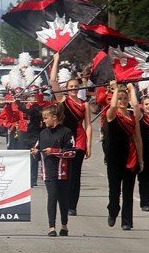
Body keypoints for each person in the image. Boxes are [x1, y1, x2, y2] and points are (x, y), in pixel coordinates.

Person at [50, 53, 92, 216]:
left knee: (75, 175)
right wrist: (56, 61)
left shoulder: (85, 104)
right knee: (64, 174)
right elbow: (53, 81)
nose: (74, 88)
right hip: (64, 140)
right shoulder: (62, 100)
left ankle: (72, 205)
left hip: (79, 140)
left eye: (76, 85)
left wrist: (88, 146)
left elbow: (88, 125)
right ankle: (63, 200)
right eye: (71, 86)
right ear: (67, 88)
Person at [104, 83, 143, 231]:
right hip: (114, 156)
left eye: (124, 98)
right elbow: (113, 107)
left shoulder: (132, 117)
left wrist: (140, 159)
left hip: (130, 156)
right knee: (114, 190)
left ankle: (127, 221)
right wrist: (115, 90)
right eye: (120, 98)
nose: (122, 101)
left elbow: (138, 138)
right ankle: (113, 210)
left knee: (128, 190)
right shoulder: (112, 114)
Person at [32, 104, 75, 237]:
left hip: (63, 172)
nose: (44, 121)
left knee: (63, 198)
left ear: (54, 117)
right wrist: (35, 152)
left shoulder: (66, 132)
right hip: (48, 171)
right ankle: (51, 227)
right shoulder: (43, 133)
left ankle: (64, 225)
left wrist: (54, 151)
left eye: (46, 118)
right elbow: (38, 150)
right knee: (52, 196)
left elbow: (72, 152)